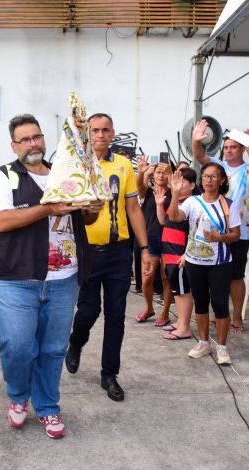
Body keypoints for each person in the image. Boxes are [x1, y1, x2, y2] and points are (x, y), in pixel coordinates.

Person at [0, 114, 98, 438]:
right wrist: (49, 208)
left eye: (37, 137)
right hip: (13, 280)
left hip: (63, 279)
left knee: (52, 349)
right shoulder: (5, 176)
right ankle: (19, 396)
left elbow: (84, 220)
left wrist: (93, 206)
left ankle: (47, 407)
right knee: (18, 346)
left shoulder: (65, 174)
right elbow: (1, 221)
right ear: (14, 145)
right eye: (25, 139)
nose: (33, 144)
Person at [66, 113, 153, 402]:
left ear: (113, 133)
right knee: (89, 311)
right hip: (87, 252)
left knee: (116, 316)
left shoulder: (123, 164)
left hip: (119, 252)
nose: (100, 135)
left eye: (105, 130)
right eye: (95, 130)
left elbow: (134, 210)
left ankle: (109, 374)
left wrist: (144, 249)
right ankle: (76, 343)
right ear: (87, 134)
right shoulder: (77, 164)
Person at [167, 162, 241, 364]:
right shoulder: (193, 202)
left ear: (222, 180)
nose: (208, 180)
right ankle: (204, 342)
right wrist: (174, 193)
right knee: (200, 302)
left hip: (220, 261)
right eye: (206, 176)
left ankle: (222, 347)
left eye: (213, 177)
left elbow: (236, 234)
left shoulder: (229, 204)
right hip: (194, 261)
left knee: (219, 304)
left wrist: (219, 238)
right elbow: (174, 217)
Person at [193, 122, 249, 332]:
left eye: (234, 147)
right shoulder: (218, 167)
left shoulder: (248, 170)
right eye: (227, 147)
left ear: (241, 149)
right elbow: (200, 157)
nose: (229, 150)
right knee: (214, 275)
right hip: (212, 231)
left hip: (238, 232)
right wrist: (196, 139)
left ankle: (238, 316)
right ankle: (219, 312)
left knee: (235, 277)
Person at [154, 164, 197, 340]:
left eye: (183, 181)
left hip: (180, 253)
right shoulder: (175, 200)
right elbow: (163, 221)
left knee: (183, 290)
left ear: (193, 185)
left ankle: (185, 327)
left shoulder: (192, 203)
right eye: (176, 180)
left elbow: (196, 230)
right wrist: (159, 204)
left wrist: (187, 254)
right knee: (176, 290)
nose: (178, 184)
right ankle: (181, 321)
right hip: (169, 251)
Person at [135, 156, 172, 325]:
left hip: (169, 241)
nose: (161, 175)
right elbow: (138, 187)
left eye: (165, 172)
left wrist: (171, 177)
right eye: (158, 172)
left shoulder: (174, 191)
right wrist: (142, 172)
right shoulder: (147, 192)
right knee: (146, 278)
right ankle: (149, 308)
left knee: (166, 277)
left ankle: (164, 313)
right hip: (150, 241)